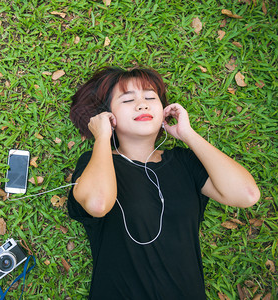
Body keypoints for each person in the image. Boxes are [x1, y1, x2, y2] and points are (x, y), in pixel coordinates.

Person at [67, 66, 260, 299]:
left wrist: (188, 134)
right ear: (109, 117)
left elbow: (247, 195)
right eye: (128, 100)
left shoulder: (184, 162)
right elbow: (97, 203)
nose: (142, 104)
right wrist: (101, 138)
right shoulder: (94, 162)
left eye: (150, 97)